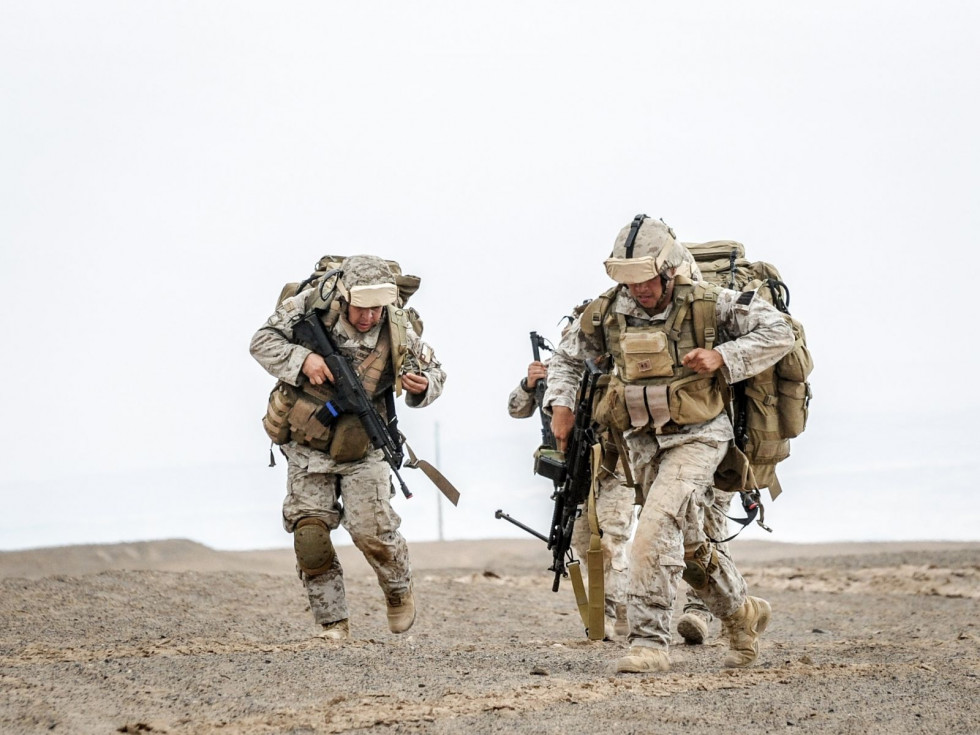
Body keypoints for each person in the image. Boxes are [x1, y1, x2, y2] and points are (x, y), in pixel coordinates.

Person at [543, 215, 794, 672]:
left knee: (652, 533)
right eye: (629, 280)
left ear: (667, 269)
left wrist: (724, 356)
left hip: (699, 437)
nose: (638, 290)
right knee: (693, 546)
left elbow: (780, 331)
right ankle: (741, 614)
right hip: (641, 442)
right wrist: (560, 403)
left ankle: (648, 642)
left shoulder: (710, 303)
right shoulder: (605, 311)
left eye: (646, 280)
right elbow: (566, 356)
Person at [250, 255, 446, 640]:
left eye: (376, 309)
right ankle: (333, 623)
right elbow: (261, 341)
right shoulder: (310, 306)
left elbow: (436, 372)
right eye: (361, 308)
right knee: (310, 535)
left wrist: (424, 387)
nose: (369, 317)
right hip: (307, 443)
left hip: (365, 447)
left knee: (372, 532)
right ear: (343, 296)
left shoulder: (398, 328)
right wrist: (302, 359)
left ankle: (397, 589)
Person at [508, 358, 636, 639]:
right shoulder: (560, 370)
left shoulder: (625, 359)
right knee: (582, 543)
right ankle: (619, 603)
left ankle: (609, 613)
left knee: (609, 541)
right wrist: (529, 384)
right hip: (576, 471)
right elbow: (515, 409)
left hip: (617, 467)